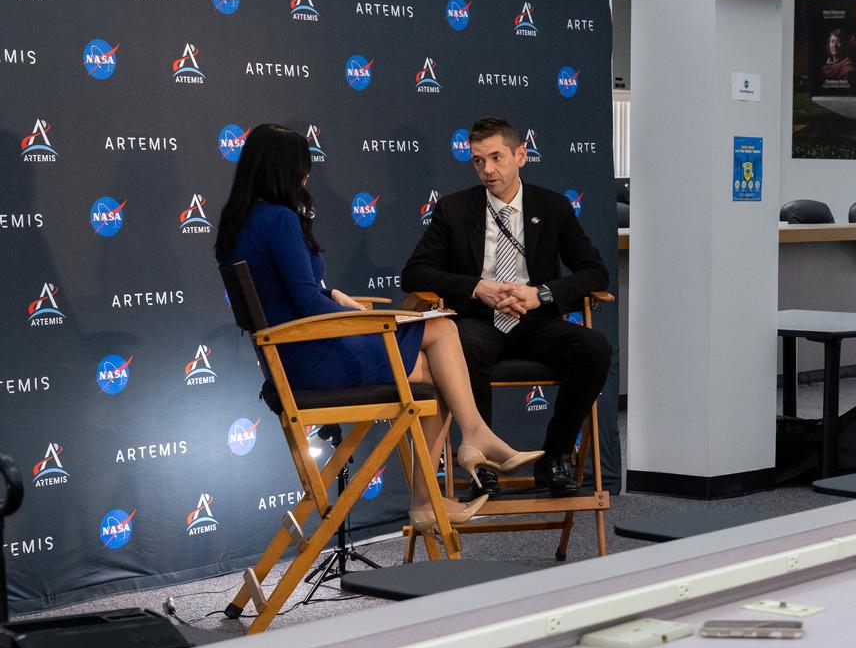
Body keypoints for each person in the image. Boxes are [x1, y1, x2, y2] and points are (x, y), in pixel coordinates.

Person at [215, 124, 538, 530]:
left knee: (439, 371)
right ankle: (454, 463)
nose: (306, 177)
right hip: (311, 355)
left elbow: (286, 290)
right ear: (282, 170)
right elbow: (303, 301)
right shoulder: (280, 219)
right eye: (303, 168)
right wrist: (379, 323)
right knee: (441, 335)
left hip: (289, 356)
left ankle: (444, 479)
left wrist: (334, 295)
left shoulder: (240, 222)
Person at [402, 116, 613, 497]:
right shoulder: (453, 209)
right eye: (478, 161)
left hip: (536, 320)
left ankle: (556, 456)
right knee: (461, 347)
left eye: (496, 157)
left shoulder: (553, 207)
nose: (488, 169)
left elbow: (595, 272)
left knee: (594, 348)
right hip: (478, 320)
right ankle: (485, 463)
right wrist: (476, 288)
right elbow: (414, 274)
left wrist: (542, 294)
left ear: (521, 155)